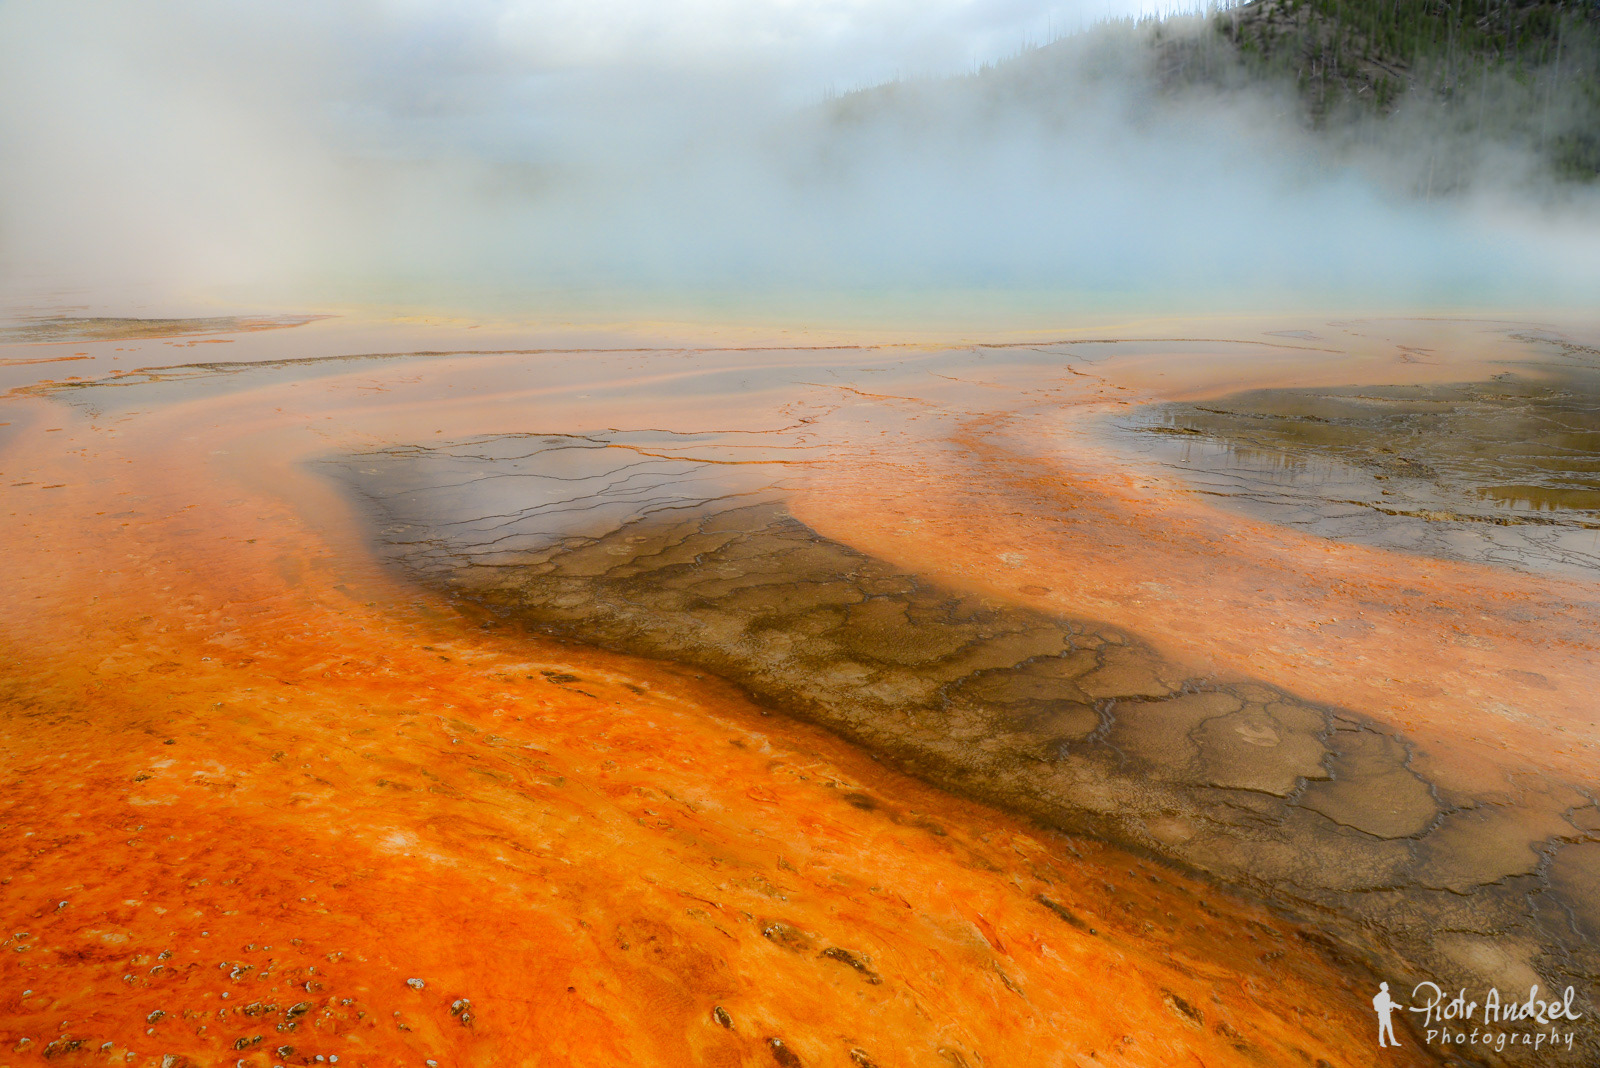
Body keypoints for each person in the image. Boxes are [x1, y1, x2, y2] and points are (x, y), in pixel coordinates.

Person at [1373, 982, 1401, 1047]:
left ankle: (1393, 1041)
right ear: (1384, 987)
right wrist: (1391, 1005)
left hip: (1387, 1013)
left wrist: (1391, 1006)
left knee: (1389, 1027)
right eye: (1386, 986)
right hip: (1382, 1013)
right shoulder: (1381, 996)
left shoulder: (1387, 995)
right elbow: (1383, 1005)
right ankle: (1382, 1042)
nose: (1387, 987)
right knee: (1382, 1028)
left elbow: (1386, 1005)